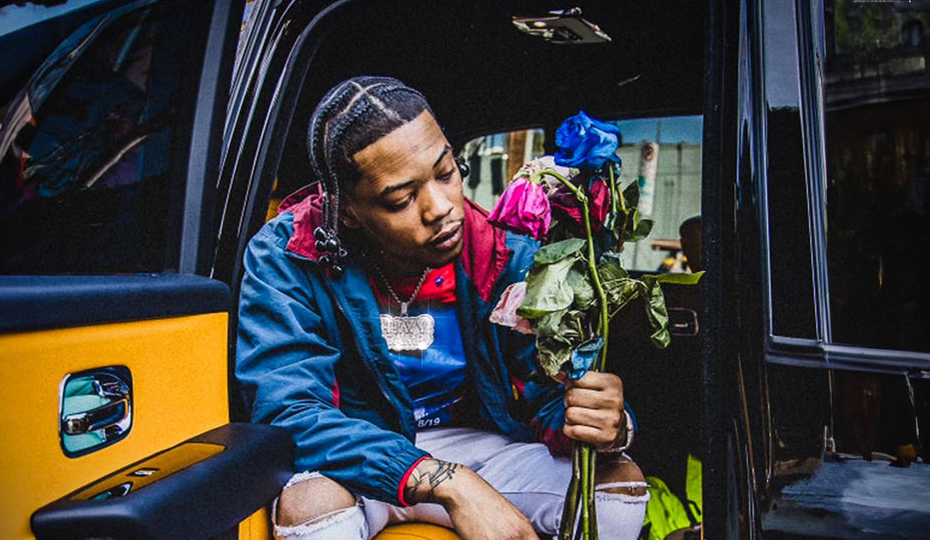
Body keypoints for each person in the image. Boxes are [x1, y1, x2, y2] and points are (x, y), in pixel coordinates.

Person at [236, 76, 649, 540]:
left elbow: (546, 392)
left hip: (481, 448)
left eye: (446, 173)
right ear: (346, 211)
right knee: (311, 507)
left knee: (616, 488)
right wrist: (449, 484)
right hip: (357, 457)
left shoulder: (502, 253)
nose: (440, 208)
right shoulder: (290, 254)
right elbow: (290, 410)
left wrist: (604, 422)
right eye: (402, 199)